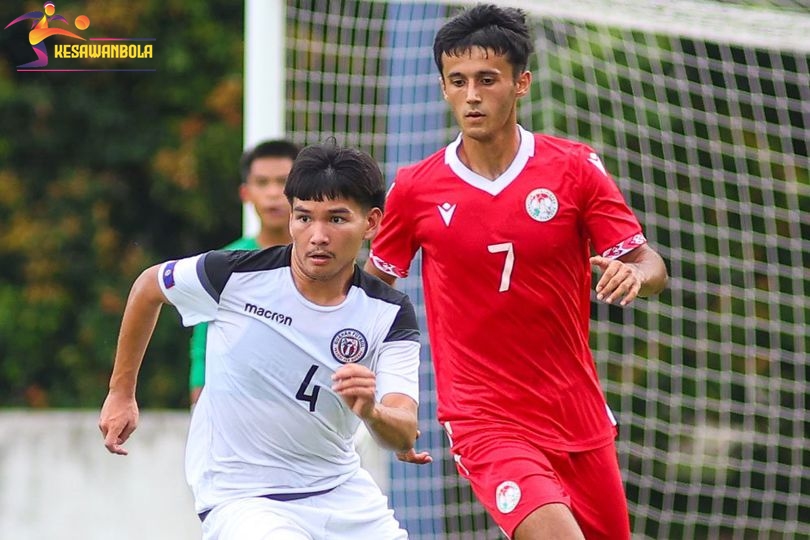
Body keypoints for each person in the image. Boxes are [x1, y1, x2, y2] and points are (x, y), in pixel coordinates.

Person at [363, 4, 668, 540]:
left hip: (577, 415)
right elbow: (371, 299)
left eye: (487, 79)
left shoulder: (573, 167)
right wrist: (392, 404)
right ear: (443, 88)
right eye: (457, 81)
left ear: (521, 83)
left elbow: (649, 262)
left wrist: (637, 275)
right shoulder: (415, 189)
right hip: (485, 419)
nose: (472, 95)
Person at [99, 141, 423, 540]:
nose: (317, 236)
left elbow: (404, 429)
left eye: (336, 220)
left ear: (371, 223)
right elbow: (148, 286)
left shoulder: (389, 311)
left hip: (340, 491)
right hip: (243, 496)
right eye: (304, 218)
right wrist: (121, 392)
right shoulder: (231, 274)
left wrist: (372, 412)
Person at [189, 139, 300, 405]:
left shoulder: (324, 259)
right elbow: (203, 345)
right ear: (245, 193)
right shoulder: (225, 263)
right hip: (241, 406)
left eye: (283, 181)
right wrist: (198, 401)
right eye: (262, 183)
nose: (273, 192)